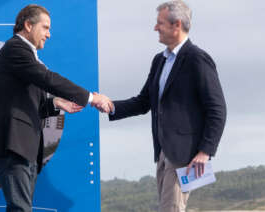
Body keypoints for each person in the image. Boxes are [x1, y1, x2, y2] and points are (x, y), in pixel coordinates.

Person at [96, 1, 227, 211]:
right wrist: (111, 106)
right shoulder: (159, 60)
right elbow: (143, 101)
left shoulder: (197, 59)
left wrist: (205, 151)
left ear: (176, 25)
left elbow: (217, 109)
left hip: (185, 155)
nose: (155, 28)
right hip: (163, 152)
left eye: (160, 23)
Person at [0, 4, 110, 212]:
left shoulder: (25, 55)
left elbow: (27, 103)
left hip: (23, 147)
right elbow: (48, 79)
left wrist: (55, 103)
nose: (49, 35)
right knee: (21, 209)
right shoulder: (16, 49)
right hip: (11, 146)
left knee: (20, 208)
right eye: (45, 27)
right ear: (28, 25)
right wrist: (91, 98)